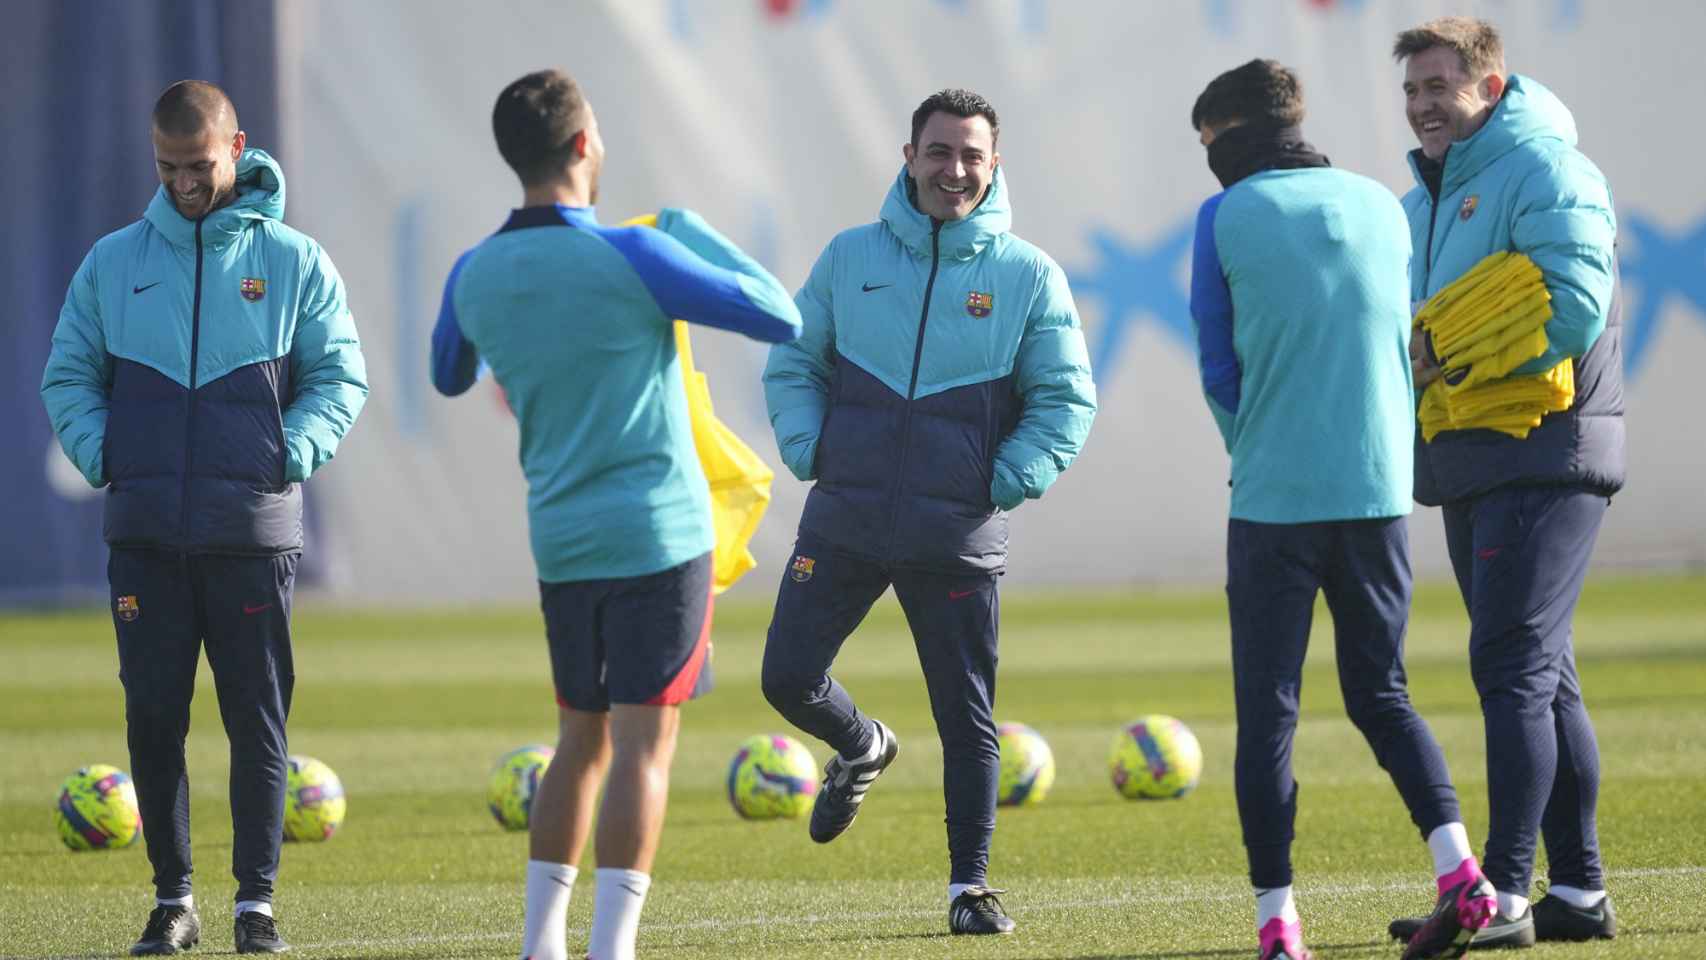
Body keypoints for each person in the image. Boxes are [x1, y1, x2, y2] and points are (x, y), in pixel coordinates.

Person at [429, 69, 801, 960]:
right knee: (644, 747)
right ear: (586, 145)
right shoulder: (634, 253)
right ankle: (613, 948)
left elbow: (450, 373)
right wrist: (691, 233)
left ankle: (540, 944)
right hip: (657, 537)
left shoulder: (474, 271)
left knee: (578, 740)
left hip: (561, 539)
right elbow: (777, 314)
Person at [41, 80, 369, 955]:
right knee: (153, 718)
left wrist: (285, 451)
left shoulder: (296, 260)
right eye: (167, 167)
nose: (184, 183)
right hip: (144, 537)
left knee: (255, 722)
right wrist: (107, 456)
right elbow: (66, 375)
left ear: (237, 146)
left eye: (198, 165)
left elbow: (341, 378)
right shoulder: (114, 262)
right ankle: (172, 902)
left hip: (250, 535)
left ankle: (254, 907)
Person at [760, 88, 1096, 937]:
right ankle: (863, 743)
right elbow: (794, 362)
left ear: (994, 164)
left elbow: (1065, 401)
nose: (954, 170)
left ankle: (969, 890)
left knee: (966, 721)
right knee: (785, 678)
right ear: (908, 157)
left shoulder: (1027, 274)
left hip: (954, 532)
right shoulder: (849, 257)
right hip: (844, 518)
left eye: (971, 155)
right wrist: (812, 450)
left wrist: (1003, 478)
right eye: (939, 152)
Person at [1185, 59, 1494, 960]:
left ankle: (1278, 923)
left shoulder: (1222, 215)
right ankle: (1460, 870)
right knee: (1384, 695)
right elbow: (1403, 343)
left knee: (1269, 711)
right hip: (1377, 494)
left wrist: (1261, 451)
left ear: (1235, 135)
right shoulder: (1379, 204)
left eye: (1211, 146)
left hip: (1276, 501)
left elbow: (1217, 365)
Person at [1386, 17, 1622, 950]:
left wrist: (1444, 346)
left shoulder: (1548, 168)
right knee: (1544, 674)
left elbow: (1571, 304)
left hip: (1546, 446)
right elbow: (1409, 341)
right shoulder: (1425, 198)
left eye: (1438, 85)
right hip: (1473, 453)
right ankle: (1579, 894)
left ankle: (1504, 895)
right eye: (1411, 90)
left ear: (1490, 84)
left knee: (1512, 668)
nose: (1421, 104)